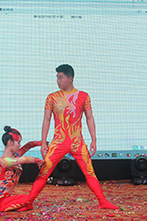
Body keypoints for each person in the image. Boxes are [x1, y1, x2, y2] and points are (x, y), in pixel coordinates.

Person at [20, 64, 118, 210]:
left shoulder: (83, 96)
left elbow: (89, 118)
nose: (58, 81)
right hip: (59, 142)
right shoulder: (52, 97)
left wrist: (94, 139)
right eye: (57, 78)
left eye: (61, 77)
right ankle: (29, 202)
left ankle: (102, 201)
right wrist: (43, 143)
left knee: (89, 172)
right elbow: (46, 120)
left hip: (77, 141)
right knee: (44, 171)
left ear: (70, 78)